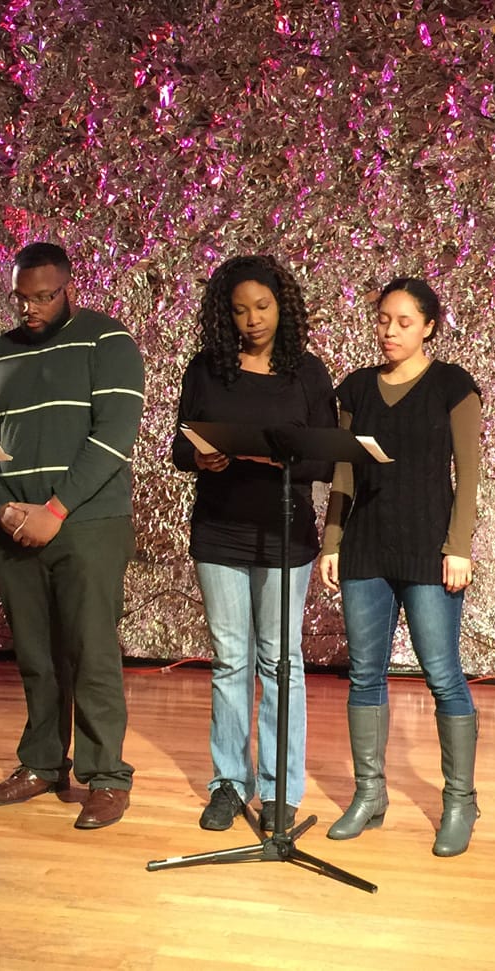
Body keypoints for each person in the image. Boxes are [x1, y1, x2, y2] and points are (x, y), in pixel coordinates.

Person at [0, 242, 145, 830]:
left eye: (44, 296)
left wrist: (56, 509)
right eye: (22, 298)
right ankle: (42, 763)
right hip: (16, 526)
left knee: (91, 650)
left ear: (69, 287)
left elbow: (115, 433)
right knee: (37, 656)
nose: (32, 308)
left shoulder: (107, 340)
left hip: (88, 522)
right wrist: (2, 510)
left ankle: (107, 776)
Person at [319, 277, 483, 857]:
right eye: (383, 319)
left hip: (428, 551)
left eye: (404, 322)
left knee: (442, 674)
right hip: (366, 547)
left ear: (429, 326)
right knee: (365, 674)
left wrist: (457, 545)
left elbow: (469, 473)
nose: (390, 331)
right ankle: (370, 795)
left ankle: (460, 801)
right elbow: (342, 475)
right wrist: (331, 540)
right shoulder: (357, 389)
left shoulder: (451, 386)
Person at [171, 255, 336, 833]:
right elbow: (179, 445)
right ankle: (228, 784)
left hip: (285, 535)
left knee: (280, 659)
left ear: (281, 306)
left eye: (262, 307)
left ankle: (280, 790)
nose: (252, 319)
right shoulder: (207, 369)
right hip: (220, 530)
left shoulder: (307, 373)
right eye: (240, 310)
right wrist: (202, 456)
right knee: (231, 659)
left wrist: (277, 455)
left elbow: (327, 454)